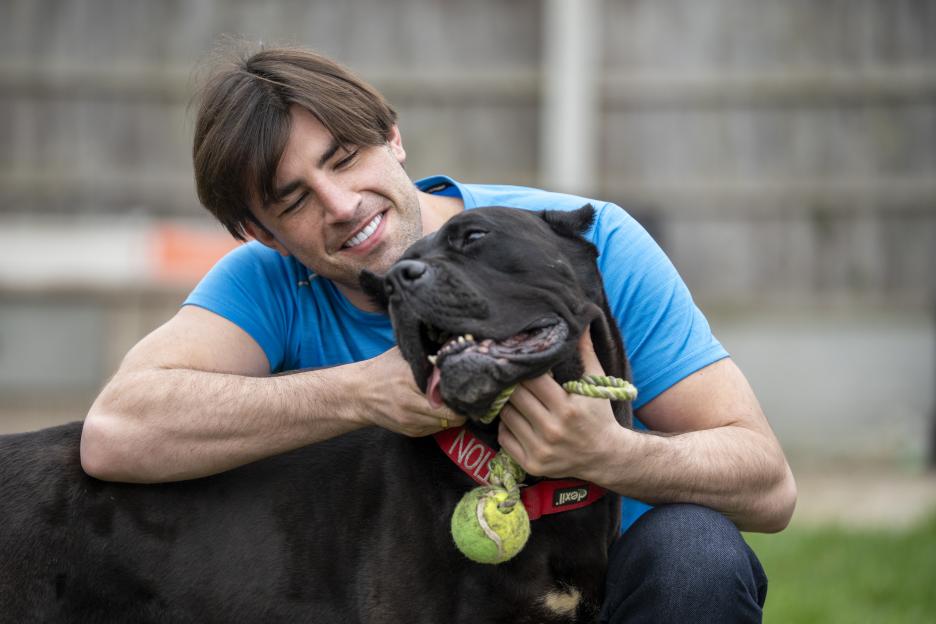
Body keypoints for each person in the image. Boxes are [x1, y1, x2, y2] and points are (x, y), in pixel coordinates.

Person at [80, 44, 795, 622]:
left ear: (391, 137)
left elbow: (768, 487)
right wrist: (360, 393)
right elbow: (116, 430)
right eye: (293, 200)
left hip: (620, 590)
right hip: (411, 598)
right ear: (258, 233)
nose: (341, 204)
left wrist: (605, 451)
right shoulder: (267, 285)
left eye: (344, 157)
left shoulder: (579, 240)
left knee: (696, 553)